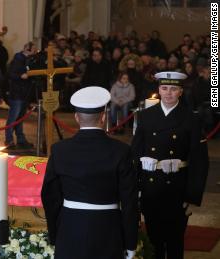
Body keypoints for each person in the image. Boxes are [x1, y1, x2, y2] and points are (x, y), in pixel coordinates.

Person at [41, 86, 138, 259]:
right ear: (103, 117)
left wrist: (55, 234)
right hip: (108, 228)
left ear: (77, 118)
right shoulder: (121, 151)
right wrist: (130, 242)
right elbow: (129, 201)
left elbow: (50, 197)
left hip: (70, 227)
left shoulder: (59, 150)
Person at [131, 71, 209, 259]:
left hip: (177, 188)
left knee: (175, 242)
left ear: (180, 92)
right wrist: (136, 187)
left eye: (173, 89)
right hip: (150, 187)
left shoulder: (191, 118)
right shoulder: (146, 116)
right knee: (153, 240)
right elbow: (135, 154)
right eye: (164, 88)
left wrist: (192, 195)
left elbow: (199, 160)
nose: (168, 93)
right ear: (158, 89)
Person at [4, 42, 37, 149]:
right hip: (17, 93)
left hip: (24, 93)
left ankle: (21, 139)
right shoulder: (18, 59)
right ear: (27, 49)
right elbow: (10, 74)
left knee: (21, 118)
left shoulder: (30, 60)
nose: (35, 52)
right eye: (34, 49)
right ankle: (8, 140)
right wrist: (20, 76)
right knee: (13, 117)